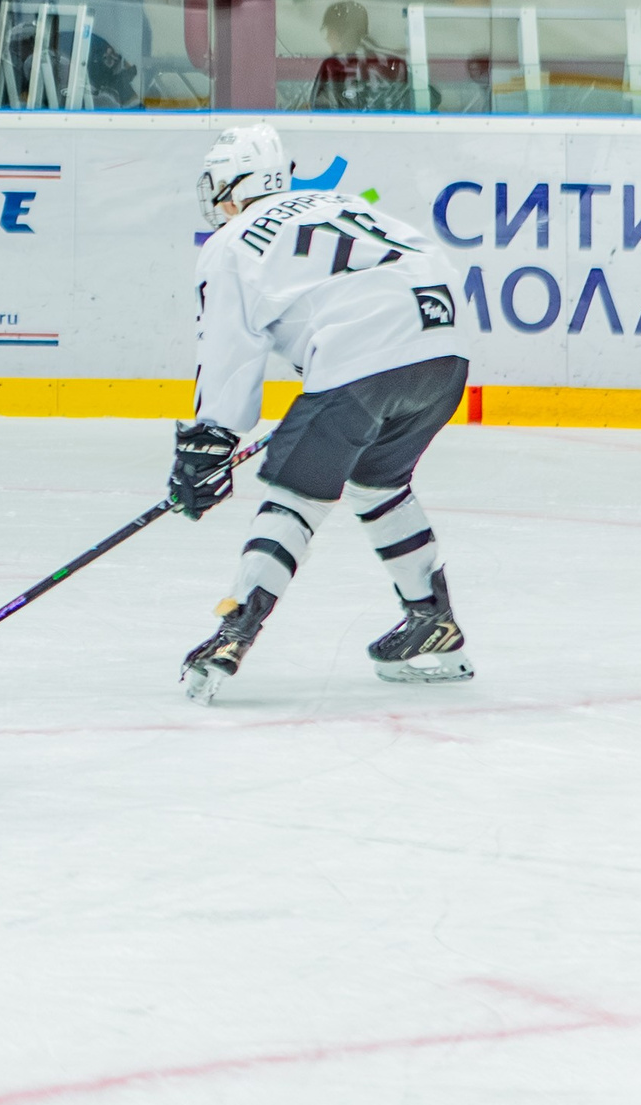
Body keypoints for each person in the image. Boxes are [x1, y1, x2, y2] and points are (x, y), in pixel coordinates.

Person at [170, 123, 474, 703]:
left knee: (297, 493)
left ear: (234, 186)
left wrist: (211, 438)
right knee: (377, 482)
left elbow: (228, 350)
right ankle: (432, 621)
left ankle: (235, 631)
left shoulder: (232, 243)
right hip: (445, 352)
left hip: (366, 356)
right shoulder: (343, 203)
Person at [310, 0, 411, 111]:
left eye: (327, 31)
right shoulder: (395, 62)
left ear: (335, 32)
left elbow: (322, 111)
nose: (327, 38)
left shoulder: (332, 66)